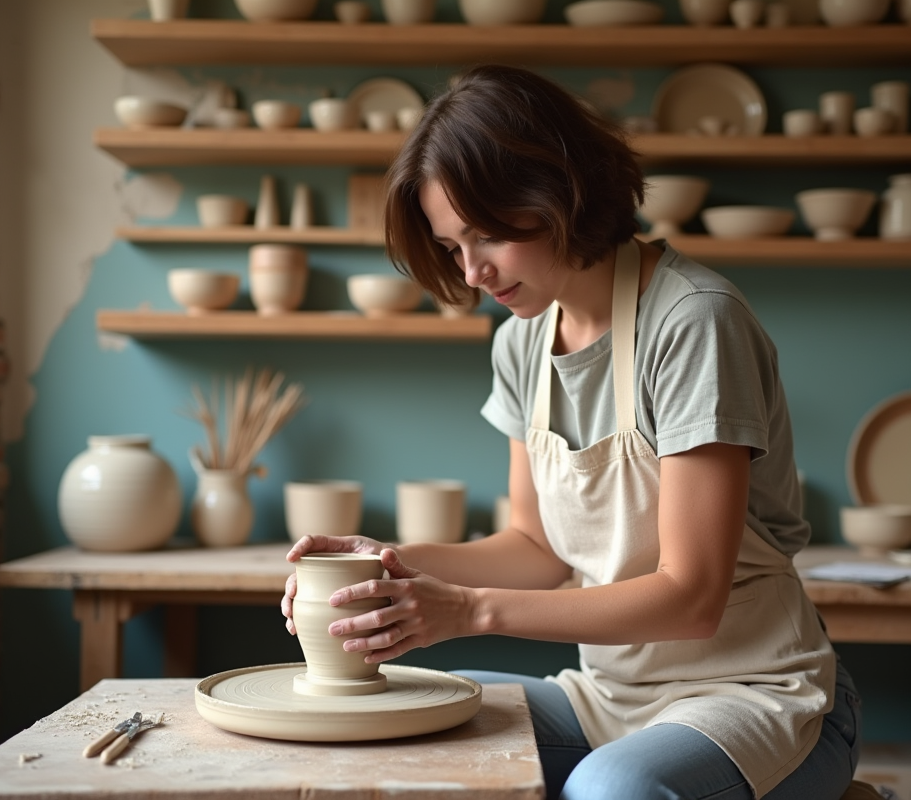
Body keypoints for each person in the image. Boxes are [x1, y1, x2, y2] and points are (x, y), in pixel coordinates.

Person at [281, 64, 861, 800]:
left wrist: (466, 610)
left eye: (488, 234)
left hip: (757, 697)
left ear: (557, 194)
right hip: (609, 697)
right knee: (404, 726)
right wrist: (385, 565)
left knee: (611, 791)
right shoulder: (522, 341)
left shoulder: (692, 321)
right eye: (454, 246)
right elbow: (535, 548)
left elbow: (692, 596)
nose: (474, 271)